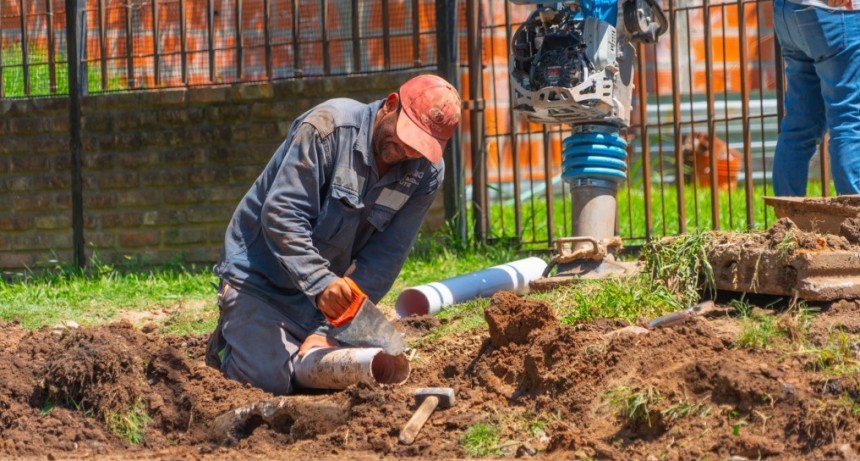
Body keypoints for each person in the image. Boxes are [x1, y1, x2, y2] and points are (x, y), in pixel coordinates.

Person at [205, 74, 461, 395]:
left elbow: (385, 258)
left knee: (356, 373)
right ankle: (232, 343)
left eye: (419, 147)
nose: (407, 152)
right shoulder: (327, 128)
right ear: (390, 106)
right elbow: (283, 214)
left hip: (323, 302)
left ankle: (291, 341)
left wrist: (330, 328)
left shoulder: (426, 172)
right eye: (405, 137)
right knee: (266, 383)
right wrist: (320, 283)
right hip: (260, 284)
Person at [771, 0, 860, 196]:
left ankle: (787, 220)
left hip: (790, 11)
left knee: (799, 125)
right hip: (836, 12)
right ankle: (856, 220)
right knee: (848, 120)